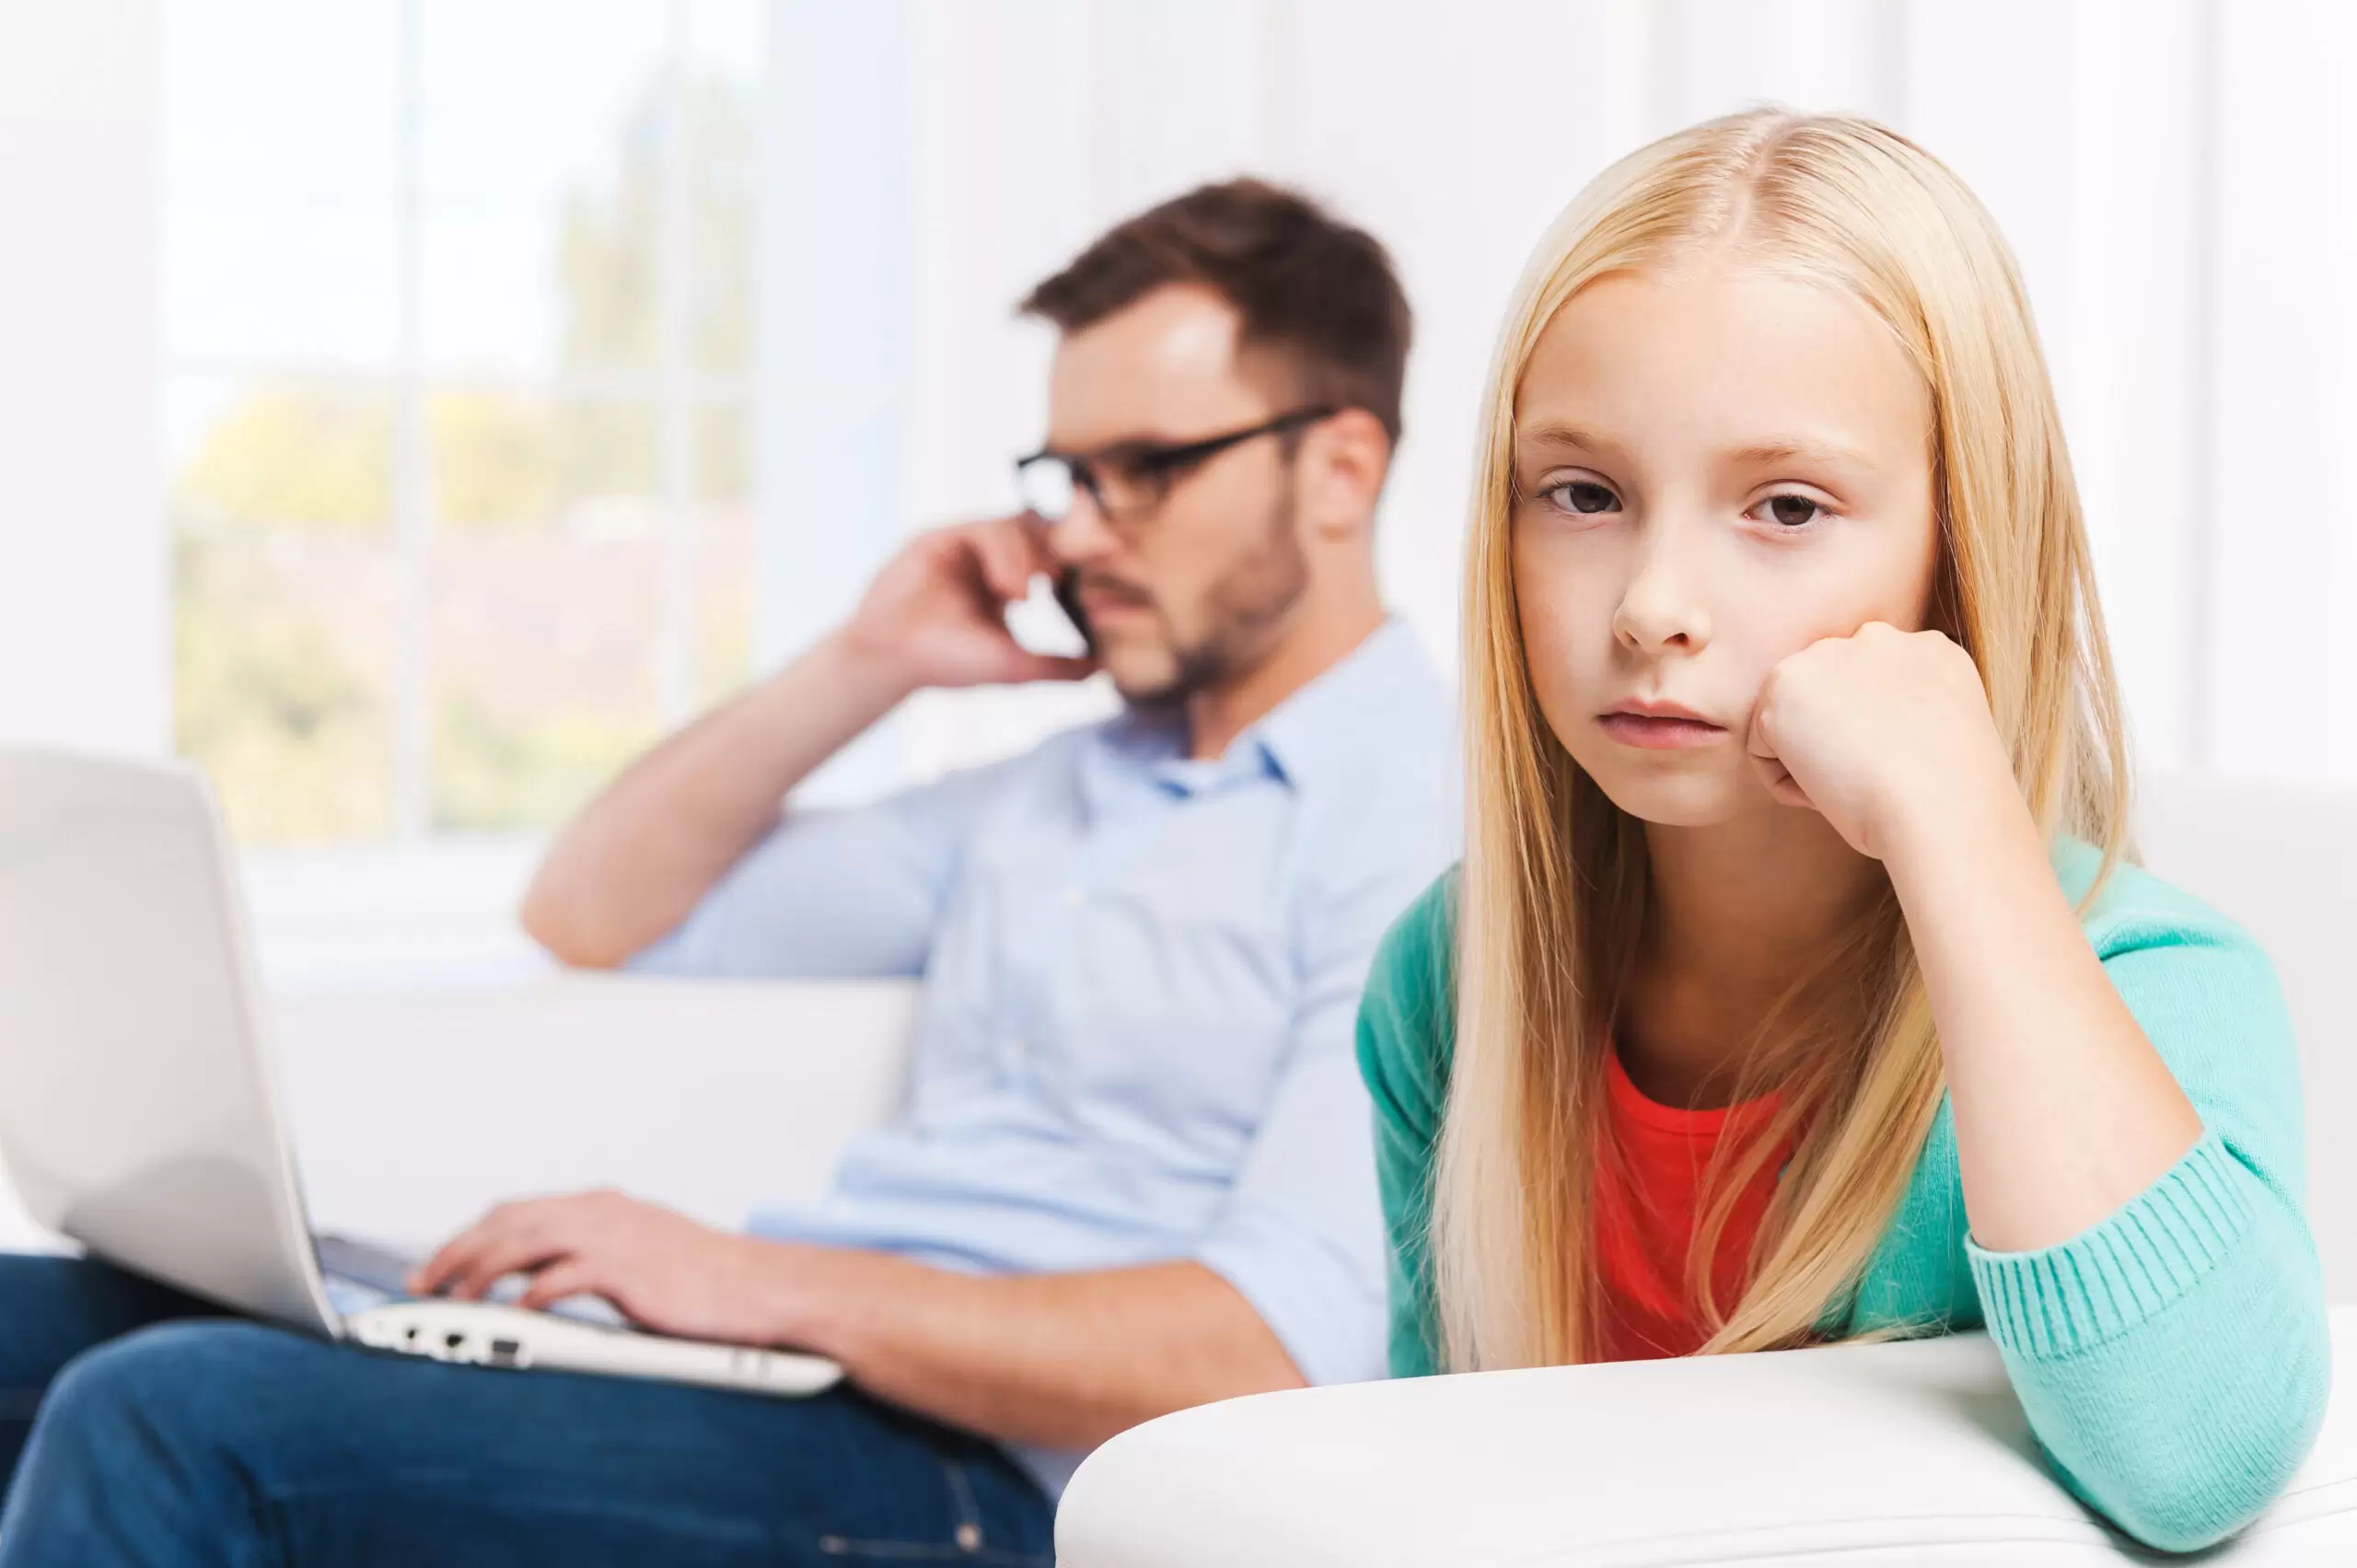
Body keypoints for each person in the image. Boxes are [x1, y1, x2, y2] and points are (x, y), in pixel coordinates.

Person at [0, 179, 1457, 1565]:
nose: (1075, 530)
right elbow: (592, 907)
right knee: (24, 1326)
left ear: (1339, 469)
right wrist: (870, 661)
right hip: (791, 1377)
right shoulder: (1061, 792)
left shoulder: (1425, 824)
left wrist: (737, 1278)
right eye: (1066, 474)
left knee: (174, 1424)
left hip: (1008, 1482)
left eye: (1145, 469)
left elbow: (1275, 1346)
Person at [1356, 109, 2328, 1557]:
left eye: (1788, 506)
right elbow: (1440, 1482)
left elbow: (2201, 1459)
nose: (1650, 602)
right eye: (1583, 494)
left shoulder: (2163, 975)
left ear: (1959, 553)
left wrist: (1959, 822)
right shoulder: (1454, 972)